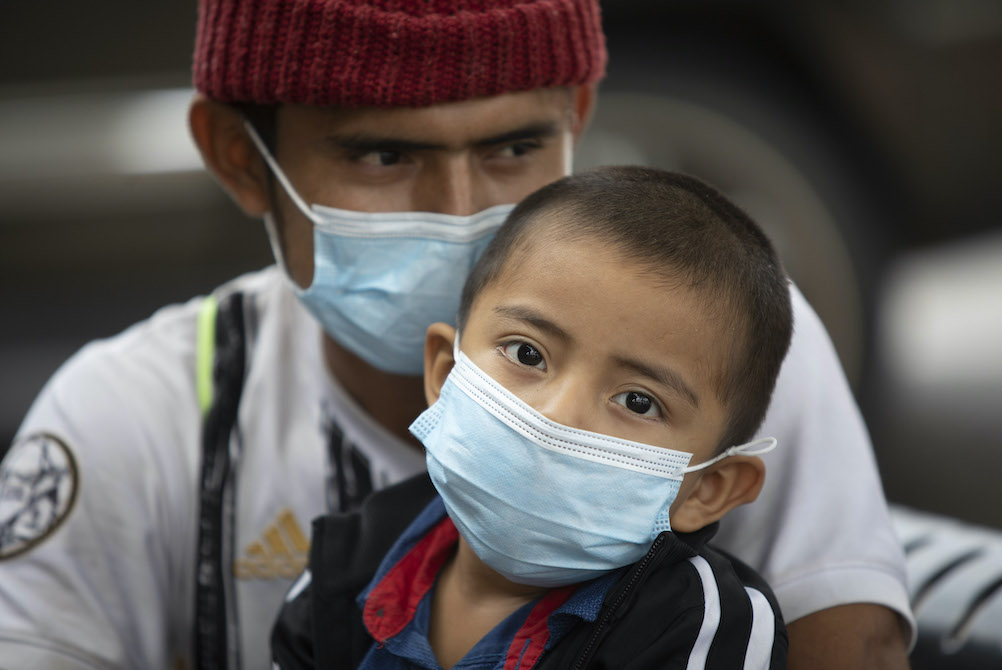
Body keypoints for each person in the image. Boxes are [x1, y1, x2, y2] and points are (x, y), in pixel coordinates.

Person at [0, 1, 912, 669]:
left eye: (512, 148)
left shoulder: (733, 343)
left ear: (576, 121)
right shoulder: (136, 418)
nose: (461, 214)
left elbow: (851, 645)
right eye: (383, 156)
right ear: (243, 158)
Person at [271, 166, 792, 669]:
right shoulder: (344, 567)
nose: (557, 414)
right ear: (446, 373)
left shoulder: (699, 628)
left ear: (709, 488)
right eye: (526, 354)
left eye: (638, 401)